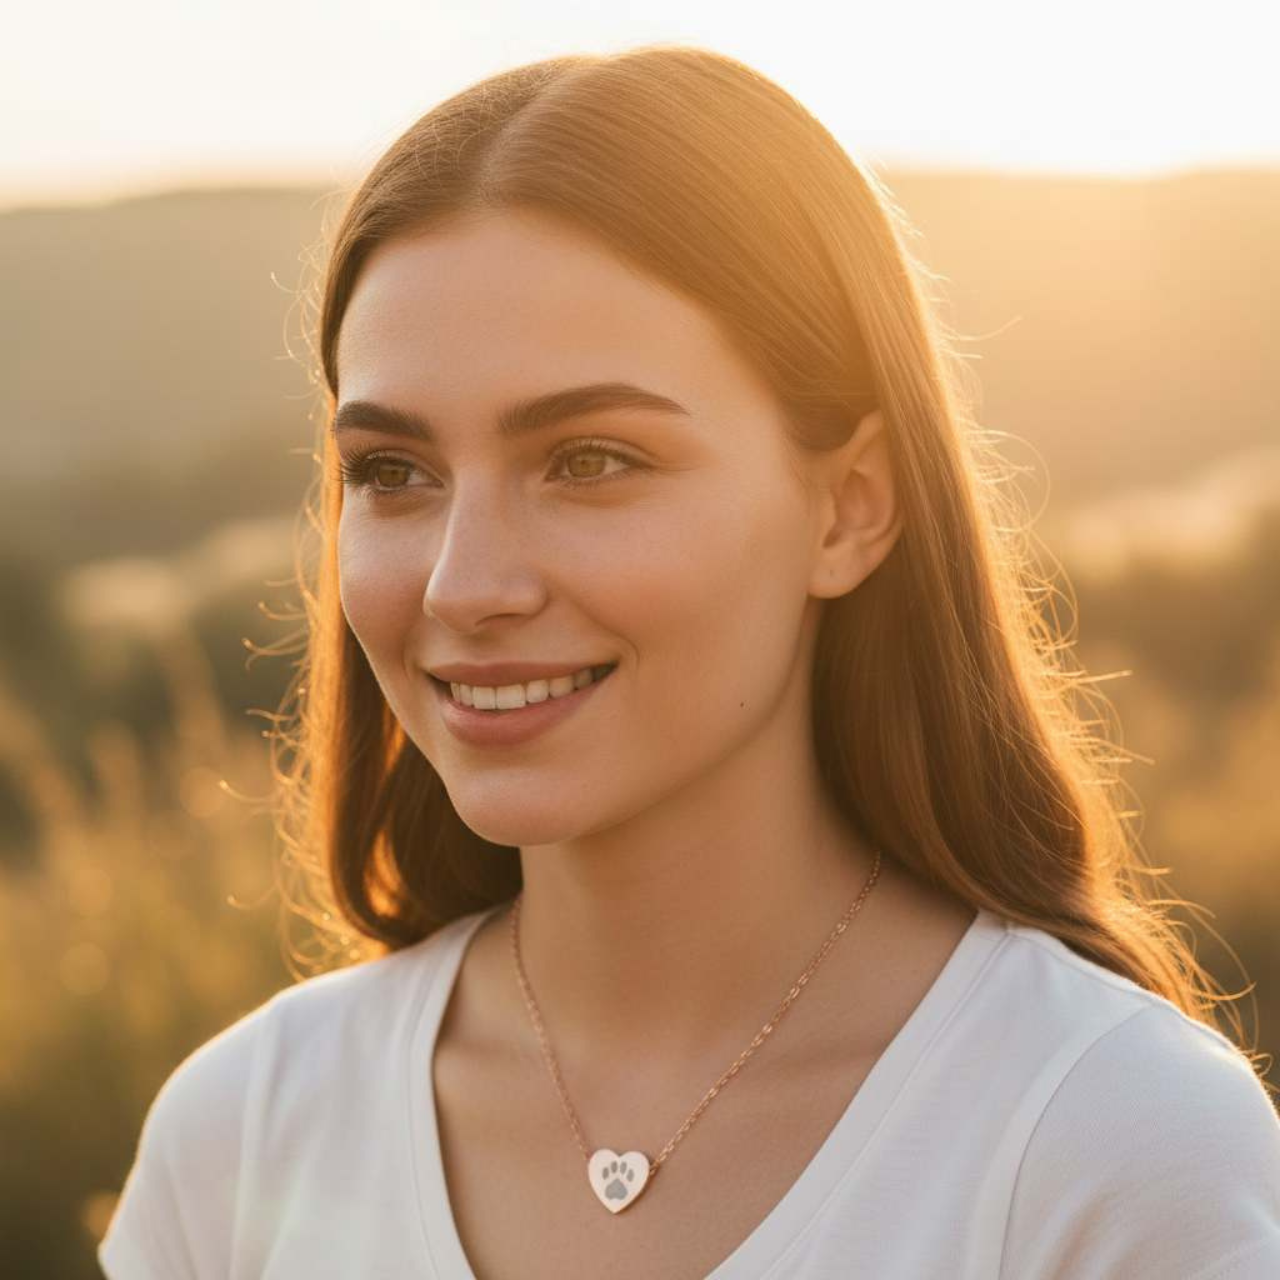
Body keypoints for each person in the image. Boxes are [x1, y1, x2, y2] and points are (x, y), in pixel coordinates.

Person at [98, 44, 1280, 1280]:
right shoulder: (238, 1140)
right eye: (393, 473)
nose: (463, 583)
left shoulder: (1101, 1146)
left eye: (590, 459)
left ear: (847, 507)